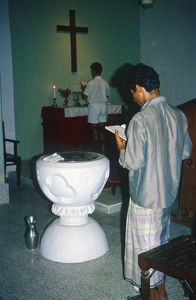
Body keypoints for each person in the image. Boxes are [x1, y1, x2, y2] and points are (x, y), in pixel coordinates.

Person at [115, 63, 192, 300]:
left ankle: (157, 295)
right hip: (168, 194)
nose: (135, 99)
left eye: (133, 94)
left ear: (139, 88)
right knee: (160, 243)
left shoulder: (141, 119)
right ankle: (155, 292)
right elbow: (185, 152)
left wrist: (122, 147)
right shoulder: (178, 114)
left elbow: (133, 161)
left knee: (146, 249)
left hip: (146, 196)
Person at [82, 62, 110, 152]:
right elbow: (107, 95)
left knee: (95, 130)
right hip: (103, 106)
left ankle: (97, 151)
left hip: (94, 107)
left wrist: (83, 89)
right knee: (101, 129)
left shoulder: (91, 83)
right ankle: (103, 150)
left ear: (93, 71)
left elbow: (84, 96)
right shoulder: (105, 83)